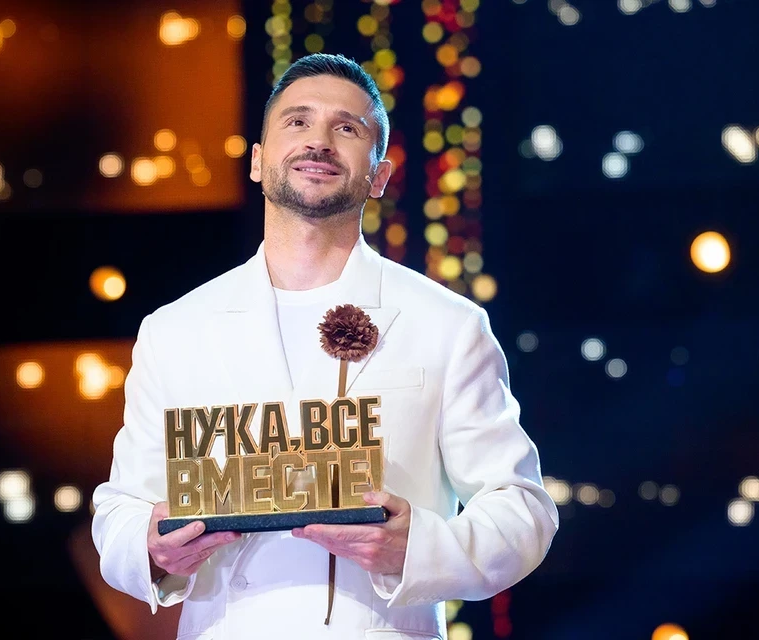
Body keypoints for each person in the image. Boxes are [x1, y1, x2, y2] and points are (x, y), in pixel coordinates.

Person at [92, 53, 559, 640]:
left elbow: (522, 509)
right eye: (297, 121)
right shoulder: (175, 330)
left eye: (347, 128)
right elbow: (120, 509)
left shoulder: (447, 325)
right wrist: (152, 548)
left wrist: (417, 548)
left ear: (379, 176)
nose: (319, 141)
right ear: (257, 161)